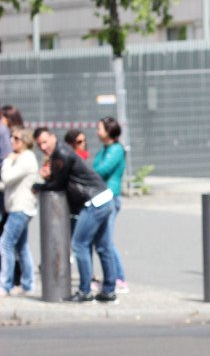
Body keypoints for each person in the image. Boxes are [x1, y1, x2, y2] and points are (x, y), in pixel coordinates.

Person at [31, 127, 118, 303]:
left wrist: (39, 186)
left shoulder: (61, 153)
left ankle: (85, 291)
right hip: (104, 197)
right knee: (103, 246)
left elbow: (58, 184)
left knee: (79, 244)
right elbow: (61, 180)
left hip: (94, 201)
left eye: (45, 141)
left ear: (53, 138)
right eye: (39, 144)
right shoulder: (62, 152)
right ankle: (109, 291)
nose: (43, 146)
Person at [0, 128, 39, 295]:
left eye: (16, 138)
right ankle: (28, 284)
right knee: (21, 247)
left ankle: (5, 285)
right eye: (11, 137)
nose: (12, 141)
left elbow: (8, 178)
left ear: (25, 141)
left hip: (20, 208)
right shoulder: (22, 157)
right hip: (19, 207)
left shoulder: (25, 158)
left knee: (5, 244)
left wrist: (8, 161)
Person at [92, 117, 128, 293]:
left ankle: (118, 278)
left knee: (106, 241)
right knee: (103, 240)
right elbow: (95, 167)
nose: (97, 132)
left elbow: (101, 169)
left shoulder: (116, 149)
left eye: (100, 129)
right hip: (103, 196)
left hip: (110, 197)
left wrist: (88, 174)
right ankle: (113, 277)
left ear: (109, 131)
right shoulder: (105, 148)